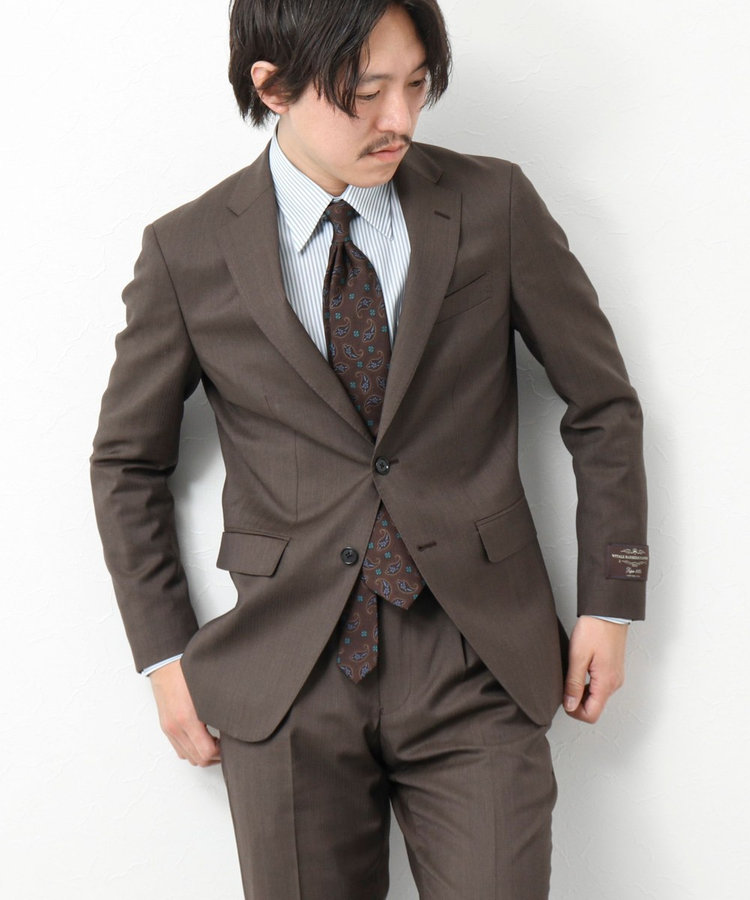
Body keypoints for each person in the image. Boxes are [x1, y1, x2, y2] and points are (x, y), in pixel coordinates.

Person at [90, 1, 649, 897]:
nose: (401, 119)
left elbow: (603, 404)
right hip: (286, 677)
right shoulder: (186, 251)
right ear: (273, 86)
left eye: (417, 85)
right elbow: (126, 462)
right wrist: (163, 659)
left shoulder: (492, 204)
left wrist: (610, 603)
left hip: (477, 660)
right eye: (365, 92)